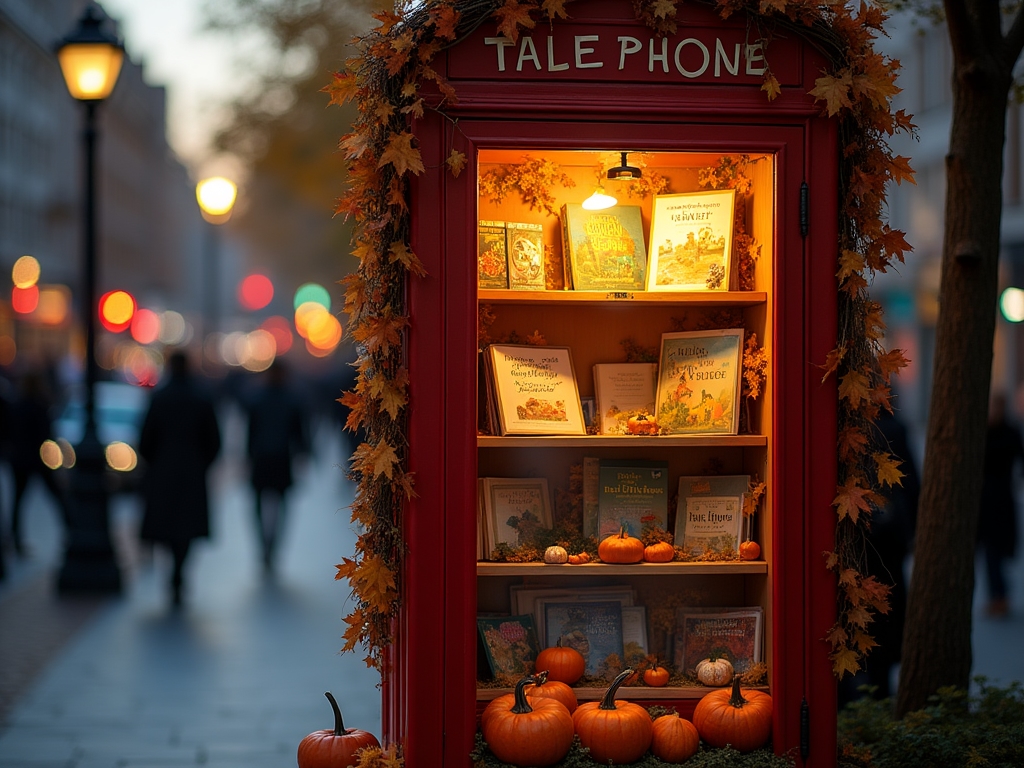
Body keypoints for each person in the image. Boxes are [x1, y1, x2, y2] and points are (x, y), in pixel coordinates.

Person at [838, 406, 919, 706]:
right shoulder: (893, 428)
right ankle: (881, 690)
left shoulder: (841, 426)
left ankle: (847, 690)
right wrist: (911, 530)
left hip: (851, 537)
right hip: (887, 538)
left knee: (847, 613)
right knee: (886, 611)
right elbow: (910, 482)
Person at [138, 352, 221, 607]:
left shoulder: (160, 398)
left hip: (163, 473)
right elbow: (215, 442)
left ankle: (172, 573)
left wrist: (156, 463)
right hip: (192, 474)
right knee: (186, 529)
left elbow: (144, 440)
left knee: (166, 526)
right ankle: (179, 572)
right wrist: (200, 464)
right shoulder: (201, 398)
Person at [245, 360, 309, 573]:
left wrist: (248, 457)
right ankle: (273, 545)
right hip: (282, 459)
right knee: (282, 506)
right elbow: (299, 434)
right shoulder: (292, 399)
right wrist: (303, 454)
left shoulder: (256, 399)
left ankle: (264, 544)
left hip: (261, 458)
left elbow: (250, 433)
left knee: (258, 505)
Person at [6, 369, 69, 556]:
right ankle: (71, 529)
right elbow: (47, 435)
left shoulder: (17, 405)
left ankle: (14, 540)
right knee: (57, 496)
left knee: (18, 501)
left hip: (19, 460)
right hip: (38, 459)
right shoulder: (40, 405)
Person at [978, 392, 1024, 618]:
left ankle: (1000, 595)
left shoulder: (998, 433)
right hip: (992, 499)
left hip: (998, 499)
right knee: (992, 551)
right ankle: (999, 595)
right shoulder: (1002, 432)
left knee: (995, 551)